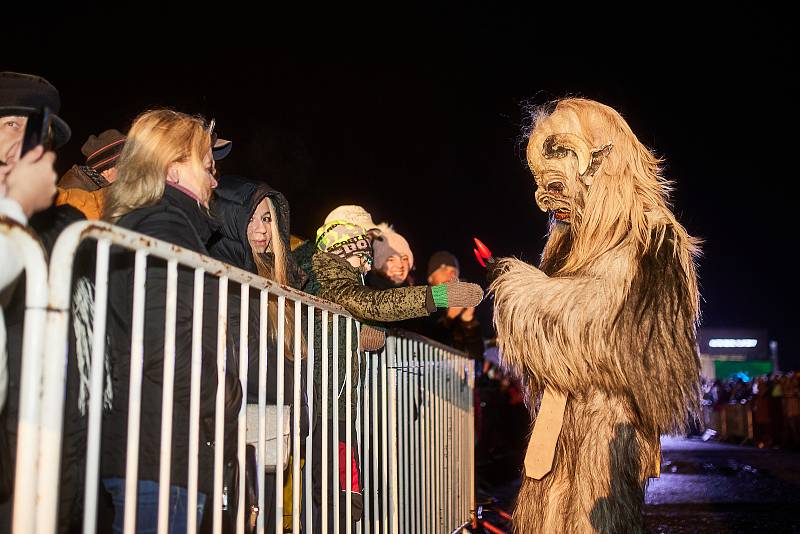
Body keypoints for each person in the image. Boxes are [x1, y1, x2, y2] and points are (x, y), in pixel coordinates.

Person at [101, 109, 242, 532]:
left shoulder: (145, 222)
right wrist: (225, 393)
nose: (215, 181)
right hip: (162, 451)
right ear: (173, 166)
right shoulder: (166, 225)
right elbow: (166, 344)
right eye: (207, 166)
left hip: (146, 447)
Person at [207, 174, 309, 531]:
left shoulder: (278, 274)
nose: (262, 229)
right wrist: (296, 397)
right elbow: (243, 351)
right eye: (251, 218)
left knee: (264, 514)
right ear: (231, 218)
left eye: (268, 218)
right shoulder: (232, 273)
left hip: (269, 419)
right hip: (242, 415)